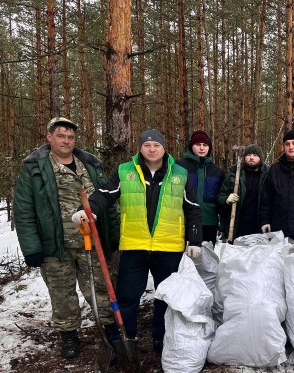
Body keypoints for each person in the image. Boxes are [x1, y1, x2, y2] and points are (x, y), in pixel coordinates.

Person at [74, 129, 202, 355]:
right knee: (127, 296)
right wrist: (89, 210)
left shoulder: (180, 174)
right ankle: (123, 340)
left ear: (164, 148)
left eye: (156, 145)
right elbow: (105, 193)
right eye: (147, 145)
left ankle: (162, 340)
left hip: (169, 247)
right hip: (135, 246)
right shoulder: (126, 171)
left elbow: (192, 208)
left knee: (166, 298)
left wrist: (195, 239)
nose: (152, 149)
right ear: (140, 148)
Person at [14, 117, 120, 359]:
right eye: (61, 136)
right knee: (62, 293)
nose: (66, 141)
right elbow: (23, 210)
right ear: (49, 137)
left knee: (101, 288)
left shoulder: (90, 165)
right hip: (55, 245)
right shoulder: (35, 168)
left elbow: (109, 202)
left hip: (91, 243)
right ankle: (69, 335)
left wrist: (112, 236)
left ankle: (110, 330)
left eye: (70, 137)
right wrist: (31, 247)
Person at [259, 130, 294, 241]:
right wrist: (265, 221)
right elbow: (266, 200)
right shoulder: (274, 170)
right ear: (284, 147)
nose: (291, 147)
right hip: (279, 232)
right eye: (287, 144)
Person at [176, 130, 224, 244]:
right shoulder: (179, 167)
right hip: (183, 221)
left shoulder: (217, 171)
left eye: (205, 145)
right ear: (191, 146)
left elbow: (220, 198)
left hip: (208, 222)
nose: (202, 148)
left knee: (207, 258)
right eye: (198, 144)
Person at [217, 144, 269, 240]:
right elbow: (220, 197)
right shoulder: (233, 175)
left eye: (255, 155)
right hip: (237, 227)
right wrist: (226, 200)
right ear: (244, 157)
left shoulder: (268, 176)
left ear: (260, 158)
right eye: (248, 155)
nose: (251, 157)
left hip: (259, 228)